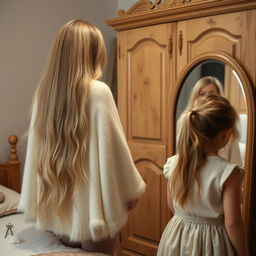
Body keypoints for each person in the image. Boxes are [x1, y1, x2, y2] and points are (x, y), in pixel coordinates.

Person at [18, 19, 146, 256]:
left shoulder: (43, 97)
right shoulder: (99, 92)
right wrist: (129, 191)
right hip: (92, 219)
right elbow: (114, 152)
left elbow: (36, 158)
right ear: (92, 53)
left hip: (56, 214)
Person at [157, 94, 248, 256]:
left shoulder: (174, 163)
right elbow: (233, 223)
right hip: (212, 243)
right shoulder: (228, 173)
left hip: (176, 236)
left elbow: (171, 204)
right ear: (225, 134)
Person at [177, 76, 243, 167]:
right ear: (195, 97)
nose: (207, 98)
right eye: (202, 94)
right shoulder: (185, 121)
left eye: (212, 94)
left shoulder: (228, 123)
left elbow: (237, 162)